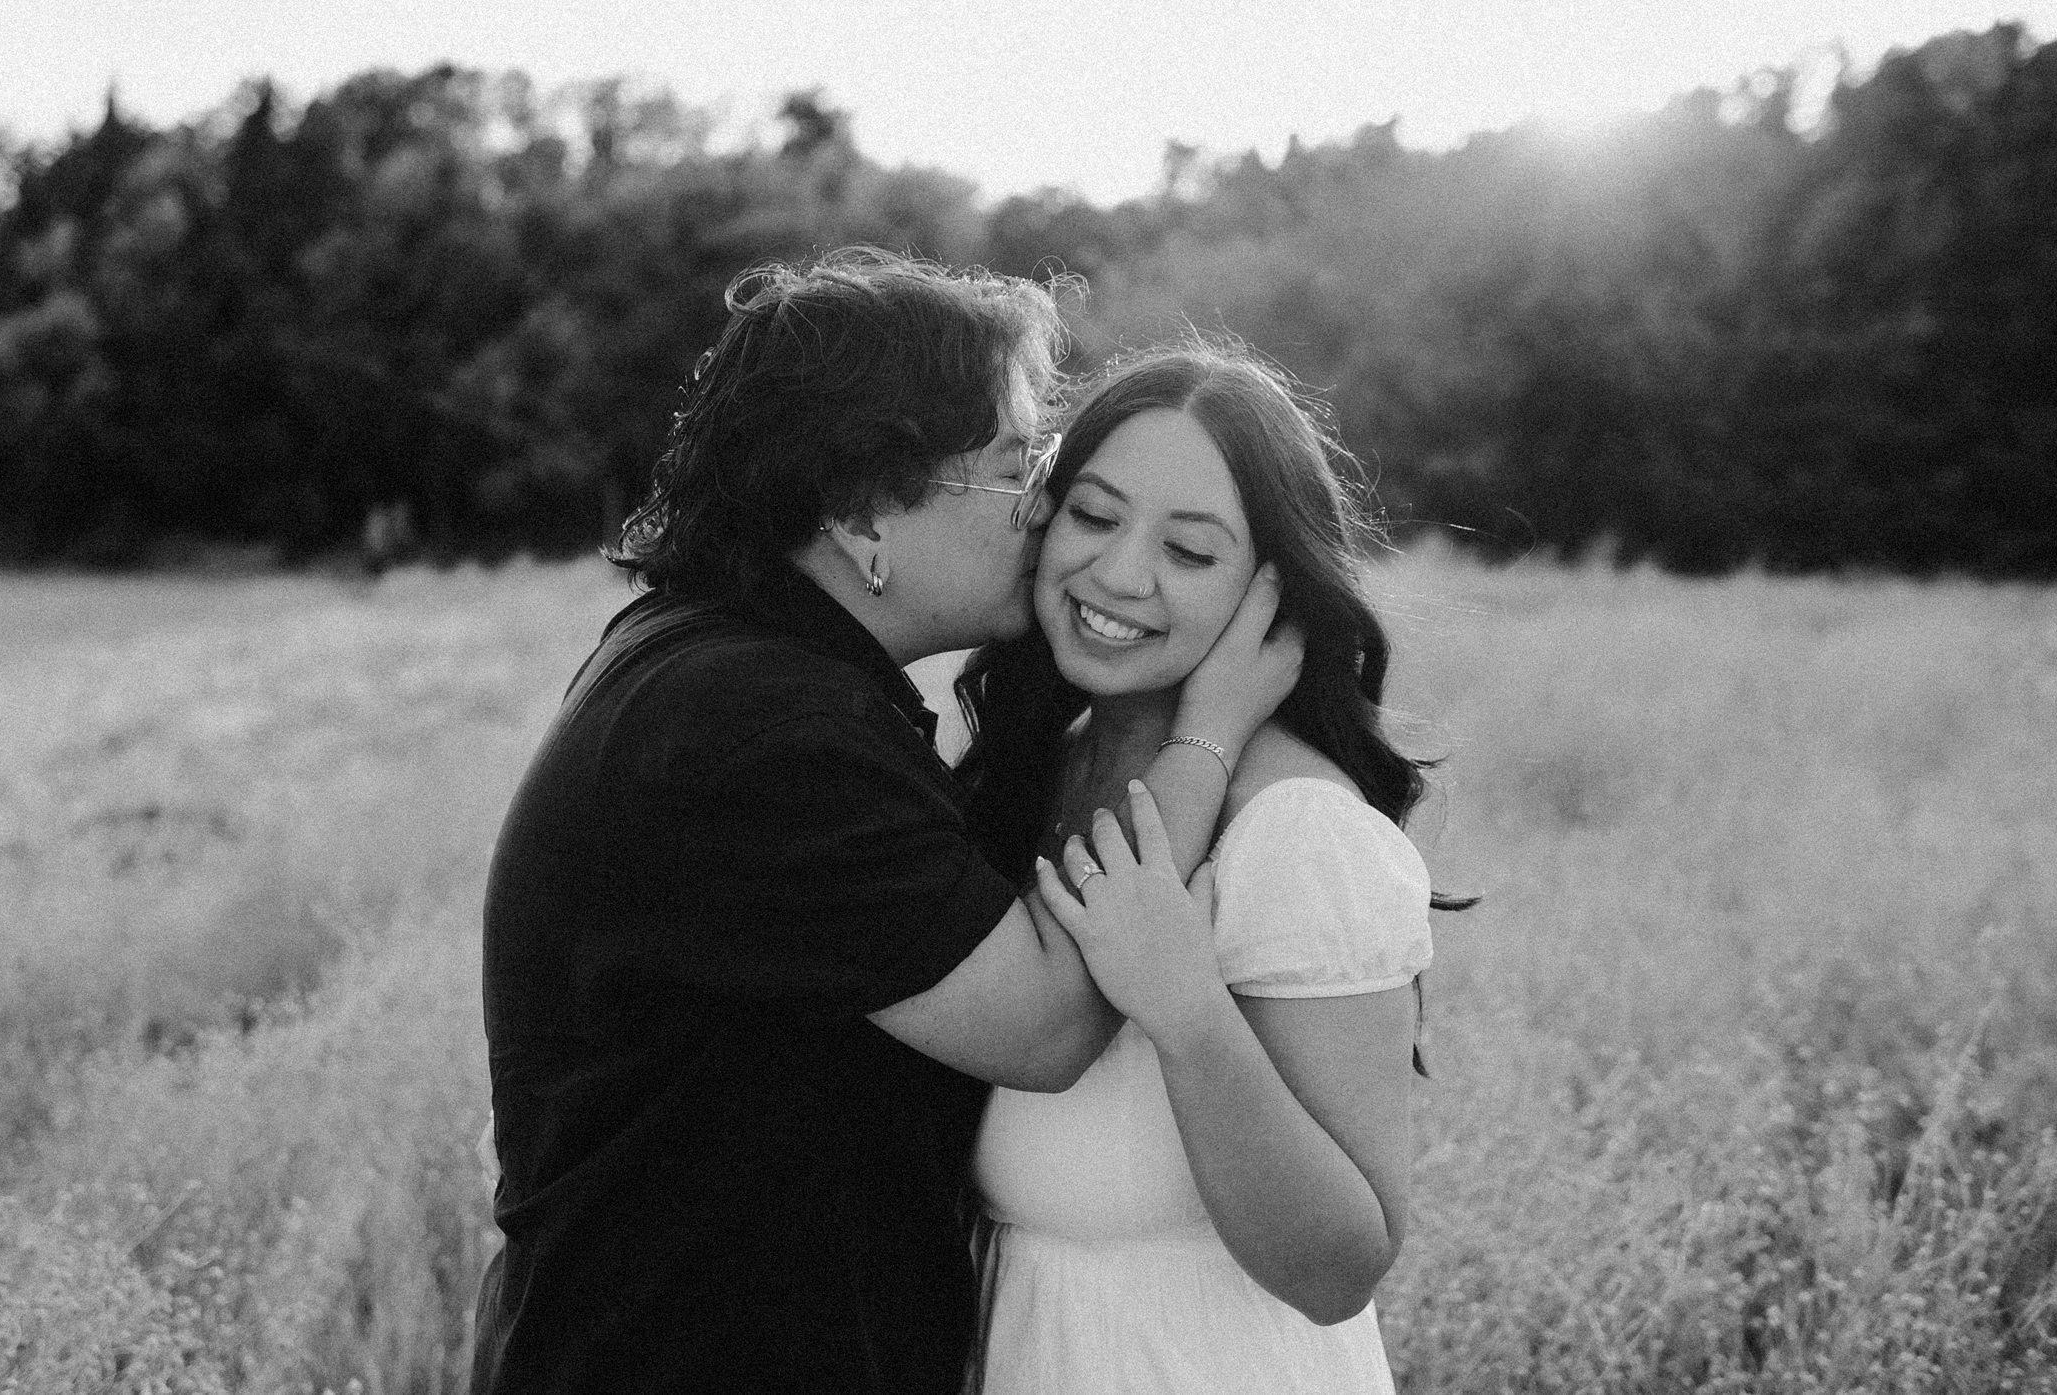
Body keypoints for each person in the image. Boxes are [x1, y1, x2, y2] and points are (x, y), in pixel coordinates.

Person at [471, 252, 1301, 1395]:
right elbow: (1048, 1023)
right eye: (1015, 470)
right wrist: (1207, 733)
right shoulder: (763, 731)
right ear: (865, 514)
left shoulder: (716, 662)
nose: (1045, 510)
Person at [956, 342, 1474, 1394]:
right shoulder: (1027, 769)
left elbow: (1341, 1267)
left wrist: (1190, 1013)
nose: (1118, 575)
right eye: (1093, 516)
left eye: (1190, 552)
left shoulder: (1297, 829)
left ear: (1271, 594)